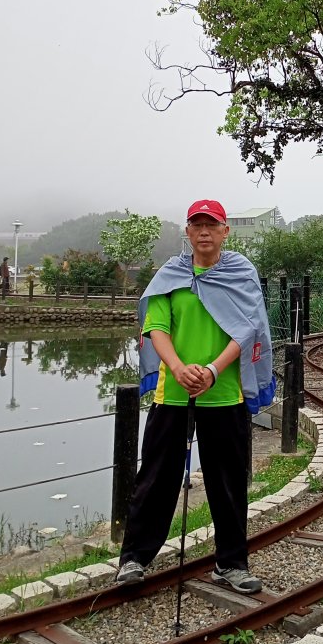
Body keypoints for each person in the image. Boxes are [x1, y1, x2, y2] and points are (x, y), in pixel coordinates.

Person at [117, 199, 275, 593]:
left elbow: (248, 330)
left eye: (212, 225)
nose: (204, 232)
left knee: (228, 481)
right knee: (156, 477)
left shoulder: (241, 274)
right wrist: (178, 368)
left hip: (224, 393)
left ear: (225, 232)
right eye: (197, 225)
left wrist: (212, 370)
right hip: (173, 392)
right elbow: (156, 327)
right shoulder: (170, 275)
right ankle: (134, 559)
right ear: (187, 232)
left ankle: (231, 564)